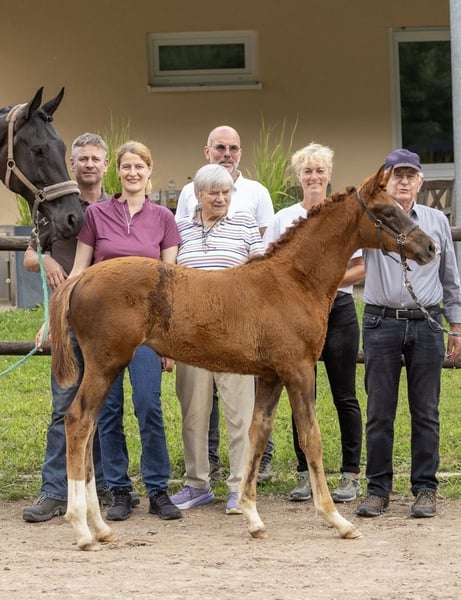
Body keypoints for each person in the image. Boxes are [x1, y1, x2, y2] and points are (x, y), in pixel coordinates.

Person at [21, 133, 138, 522]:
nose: (88, 164)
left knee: (105, 404)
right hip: (68, 319)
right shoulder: (53, 206)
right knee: (64, 404)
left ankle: (105, 483)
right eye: (82, 158)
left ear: (105, 165)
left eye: (95, 158)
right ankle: (55, 490)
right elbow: (30, 256)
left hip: (108, 323)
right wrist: (47, 260)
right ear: (71, 165)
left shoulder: (118, 208)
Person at [68, 140, 182, 522]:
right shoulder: (97, 215)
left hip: (148, 332)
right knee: (109, 408)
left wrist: (170, 341)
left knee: (149, 405)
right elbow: (79, 271)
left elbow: (171, 284)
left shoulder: (163, 218)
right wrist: (53, 318)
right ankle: (119, 490)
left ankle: (158, 490)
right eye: (127, 167)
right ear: (118, 171)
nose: (133, 173)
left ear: (150, 171)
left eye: (139, 167)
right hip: (104, 331)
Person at [356, 148, 461, 519]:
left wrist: (456, 325)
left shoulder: (435, 221)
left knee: (426, 411)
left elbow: (450, 277)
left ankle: (425, 489)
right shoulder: (373, 217)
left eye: (409, 175)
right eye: (396, 175)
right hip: (380, 321)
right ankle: (377, 490)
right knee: (379, 411)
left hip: (426, 322)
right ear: (386, 181)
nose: (403, 181)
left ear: (420, 181)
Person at [263, 142, 364, 503]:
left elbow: (361, 266)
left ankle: (351, 473)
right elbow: (267, 264)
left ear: (329, 175)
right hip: (294, 316)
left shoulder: (344, 219)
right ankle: (306, 471)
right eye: (308, 171)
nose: (314, 176)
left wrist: (326, 284)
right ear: (299, 176)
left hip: (338, 310)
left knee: (344, 394)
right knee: (302, 392)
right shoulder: (284, 218)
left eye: (320, 170)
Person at [175, 125, 275, 481]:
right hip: (190, 334)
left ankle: (239, 485)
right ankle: (196, 482)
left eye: (226, 193)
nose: (220, 199)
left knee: (238, 412)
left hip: (235, 332)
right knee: (194, 413)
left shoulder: (245, 224)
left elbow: (261, 273)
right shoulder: (181, 229)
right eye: (213, 193)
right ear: (197, 195)